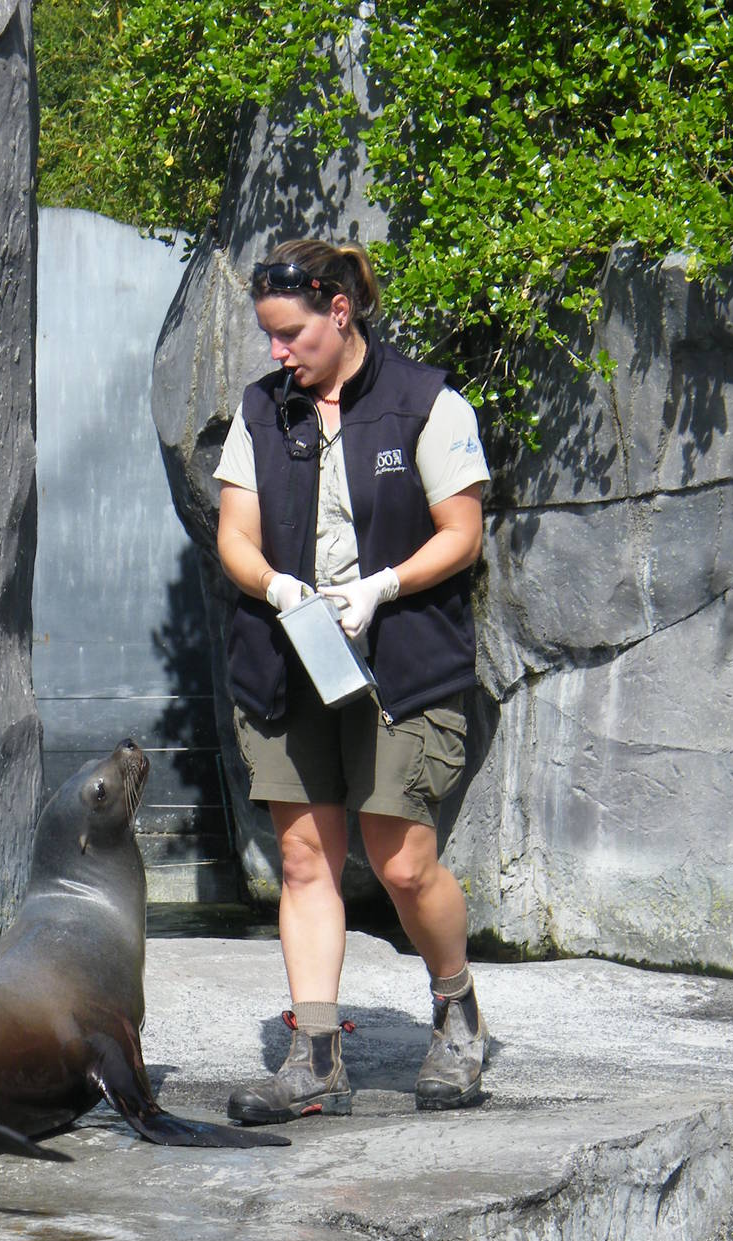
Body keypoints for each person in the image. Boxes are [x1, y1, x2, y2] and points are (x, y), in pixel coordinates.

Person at [215, 238, 491, 1122]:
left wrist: (383, 585)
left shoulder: (426, 403)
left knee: (403, 863)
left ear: (340, 311)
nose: (276, 353)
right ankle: (317, 1055)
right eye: (268, 336)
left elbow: (463, 532)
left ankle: (456, 1011)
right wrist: (278, 585)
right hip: (288, 663)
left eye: (290, 333)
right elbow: (234, 537)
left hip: (401, 661)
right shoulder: (262, 412)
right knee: (304, 859)